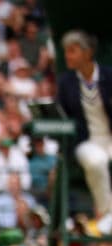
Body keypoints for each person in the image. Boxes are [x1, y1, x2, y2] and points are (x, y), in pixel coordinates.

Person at [57, 31, 112, 235]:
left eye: (72, 51)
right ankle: (107, 214)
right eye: (66, 51)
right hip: (86, 142)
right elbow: (61, 116)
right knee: (96, 161)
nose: (67, 56)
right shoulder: (66, 82)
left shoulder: (109, 76)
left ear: (87, 53)